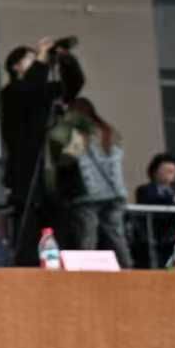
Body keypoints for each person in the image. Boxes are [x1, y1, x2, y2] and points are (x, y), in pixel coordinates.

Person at [0, 38, 84, 264]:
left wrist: (65, 59)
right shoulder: (12, 92)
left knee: (62, 234)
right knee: (29, 234)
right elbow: (30, 88)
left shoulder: (46, 91)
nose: (41, 60)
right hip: (28, 176)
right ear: (16, 66)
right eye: (31, 58)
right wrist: (41, 58)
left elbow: (74, 84)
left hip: (56, 176)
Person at [48, 98, 131, 268]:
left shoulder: (81, 133)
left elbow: (67, 159)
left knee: (87, 236)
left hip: (90, 193)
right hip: (115, 192)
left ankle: (86, 271)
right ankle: (127, 267)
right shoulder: (109, 132)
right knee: (116, 235)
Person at [132, 152, 175, 268]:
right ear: (155, 171)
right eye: (167, 170)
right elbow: (150, 200)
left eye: (174, 171)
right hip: (152, 237)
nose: (171, 173)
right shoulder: (145, 189)